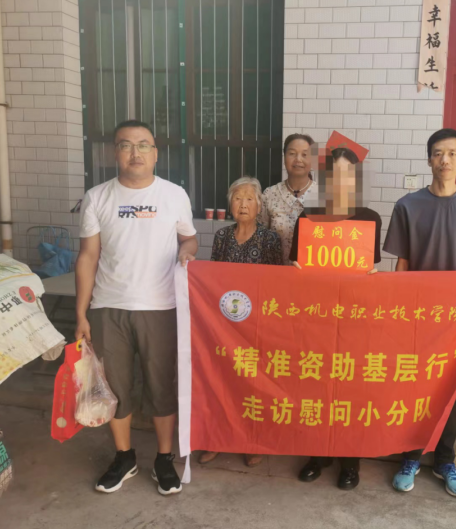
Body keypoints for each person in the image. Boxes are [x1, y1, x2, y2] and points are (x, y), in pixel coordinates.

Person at [75, 119, 198, 496]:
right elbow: (88, 256)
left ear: (155, 153)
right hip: (108, 307)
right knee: (116, 387)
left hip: (161, 307)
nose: (135, 152)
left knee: (161, 386)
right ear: (115, 152)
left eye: (143, 145)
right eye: (126, 145)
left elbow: (189, 239)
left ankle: (163, 458)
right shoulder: (97, 197)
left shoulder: (174, 194)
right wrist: (81, 314)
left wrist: (186, 253)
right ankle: (124, 457)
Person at [383, 128, 456, 498]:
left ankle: (445, 461)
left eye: (452, 153)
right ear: (429, 159)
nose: (445, 160)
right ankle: (411, 456)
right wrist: (398, 315)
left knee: (450, 388)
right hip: (417, 317)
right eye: (438, 153)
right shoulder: (408, 206)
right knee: (415, 385)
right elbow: (403, 264)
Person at [290, 138, 382, 491]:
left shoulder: (369, 219)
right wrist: (296, 270)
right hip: (318, 317)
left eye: (348, 175)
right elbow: (297, 269)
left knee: (350, 390)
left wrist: (373, 277)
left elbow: (370, 270)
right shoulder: (308, 218)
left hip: (354, 319)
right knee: (316, 387)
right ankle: (318, 455)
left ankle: (350, 461)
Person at [198, 176, 282, 466]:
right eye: (237, 198)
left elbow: (276, 285)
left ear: (259, 206)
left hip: (256, 326)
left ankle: (252, 441)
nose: (243, 204)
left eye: (249, 199)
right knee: (222, 383)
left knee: (253, 386)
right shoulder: (222, 236)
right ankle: (218, 438)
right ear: (230, 204)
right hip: (225, 325)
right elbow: (213, 280)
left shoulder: (270, 239)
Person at [259, 134, 318, 265]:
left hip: (312, 274)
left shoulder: (324, 197)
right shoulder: (270, 194)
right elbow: (260, 236)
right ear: (284, 157)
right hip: (275, 272)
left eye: (304, 154)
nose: (298, 159)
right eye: (292, 153)